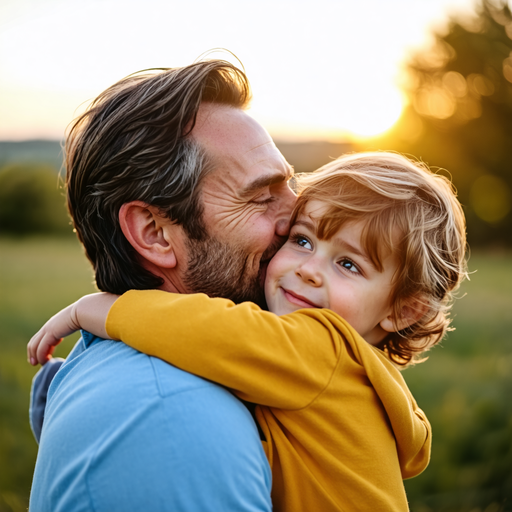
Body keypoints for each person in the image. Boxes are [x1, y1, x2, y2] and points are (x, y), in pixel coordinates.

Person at [29, 152, 468, 511]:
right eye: (302, 240)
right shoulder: (352, 377)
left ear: (401, 311)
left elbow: (213, 333)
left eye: (348, 264)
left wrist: (99, 309)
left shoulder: (326, 348)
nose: (308, 270)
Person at [28, 60, 296, 512]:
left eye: (291, 185)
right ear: (154, 233)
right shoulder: (174, 417)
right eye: (263, 196)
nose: (301, 216)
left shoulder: (172, 375)